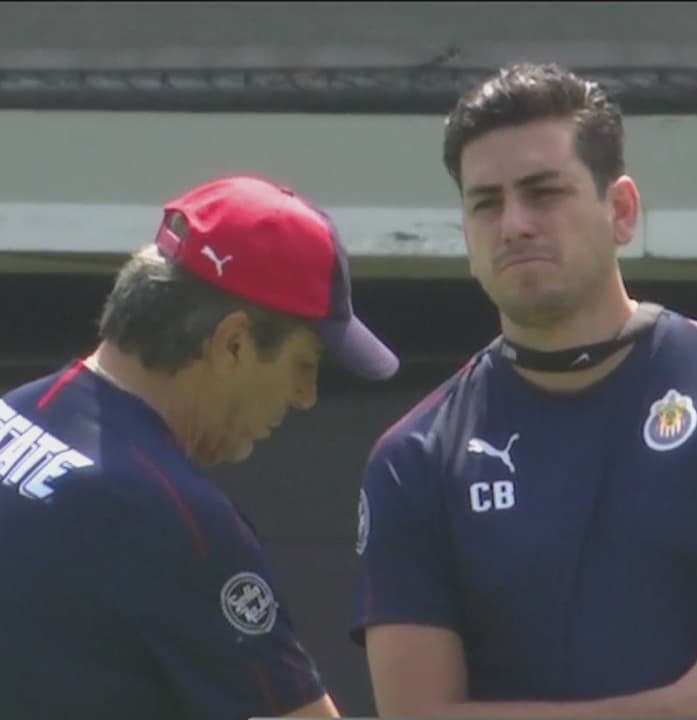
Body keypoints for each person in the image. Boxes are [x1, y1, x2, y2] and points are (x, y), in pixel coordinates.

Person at [349, 62, 697, 718]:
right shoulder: (413, 458)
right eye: (486, 203)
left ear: (621, 211)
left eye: (543, 193)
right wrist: (670, 710)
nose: (514, 224)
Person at [0, 175, 400, 720]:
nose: (305, 397)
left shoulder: (15, 412)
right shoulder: (176, 521)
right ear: (232, 344)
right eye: (303, 364)